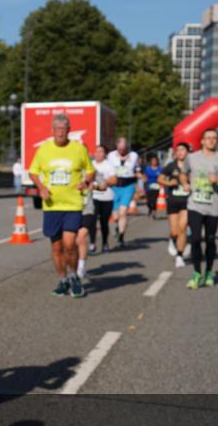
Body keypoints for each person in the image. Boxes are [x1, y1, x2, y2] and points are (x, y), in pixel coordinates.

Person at [29, 114, 94, 298]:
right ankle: (63, 279)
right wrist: (41, 187)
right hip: (51, 206)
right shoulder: (44, 150)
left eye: (63, 130)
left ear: (68, 130)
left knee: (69, 244)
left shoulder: (78, 149)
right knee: (56, 247)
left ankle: (74, 276)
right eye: (56, 129)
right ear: (52, 130)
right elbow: (33, 172)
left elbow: (90, 171)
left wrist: (85, 182)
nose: (59, 133)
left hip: (73, 204)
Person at [182, 129, 218, 289]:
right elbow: (184, 173)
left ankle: (209, 272)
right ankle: (197, 272)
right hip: (195, 204)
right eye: (208, 138)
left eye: (214, 138)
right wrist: (185, 183)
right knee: (196, 238)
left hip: (213, 205)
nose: (212, 141)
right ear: (202, 141)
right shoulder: (191, 158)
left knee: (210, 239)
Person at [158, 142, 191, 268]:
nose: (180, 152)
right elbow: (160, 179)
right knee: (175, 231)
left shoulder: (192, 166)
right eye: (178, 150)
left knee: (183, 228)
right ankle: (173, 240)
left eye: (183, 150)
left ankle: (179, 256)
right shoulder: (171, 166)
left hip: (187, 201)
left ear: (187, 152)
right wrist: (168, 182)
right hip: (173, 200)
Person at [106, 138, 141, 247]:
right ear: (116, 147)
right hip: (115, 186)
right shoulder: (111, 155)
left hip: (128, 185)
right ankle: (117, 227)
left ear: (127, 147)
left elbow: (138, 169)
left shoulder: (134, 156)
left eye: (124, 148)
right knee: (115, 215)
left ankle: (121, 236)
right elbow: (107, 170)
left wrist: (138, 184)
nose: (122, 151)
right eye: (120, 149)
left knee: (123, 212)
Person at [90, 144, 116, 253]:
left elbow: (114, 180)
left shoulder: (109, 165)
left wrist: (105, 183)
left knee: (104, 222)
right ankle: (92, 243)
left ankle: (105, 243)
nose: (98, 154)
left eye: (101, 151)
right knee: (92, 220)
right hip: (93, 197)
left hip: (106, 197)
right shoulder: (91, 165)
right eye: (97, 151)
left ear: (104, 154)